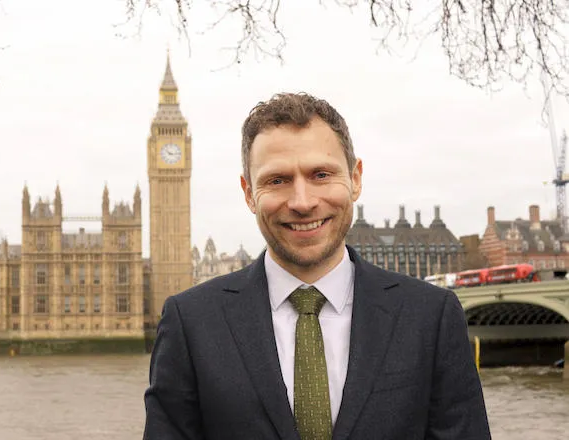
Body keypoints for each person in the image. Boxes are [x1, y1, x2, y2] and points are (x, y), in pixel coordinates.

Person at [142, 92, 492, 440]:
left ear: (355, 179)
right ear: (249, 193)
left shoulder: (431, 317)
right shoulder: (190, 323)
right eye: (277, 180)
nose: (303, 202)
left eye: (321, 174)